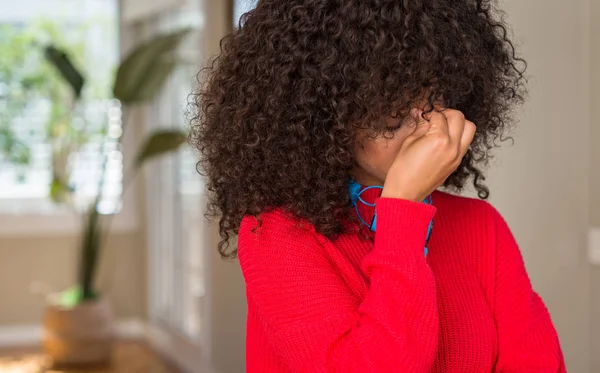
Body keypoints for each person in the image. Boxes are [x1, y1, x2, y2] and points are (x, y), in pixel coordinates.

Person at [190, 0, 566, 372]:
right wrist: (403, 208)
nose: (422, 122)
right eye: (391, 107)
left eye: (431, 95)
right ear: (326, 114)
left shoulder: (482, 227)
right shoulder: (277, 235)